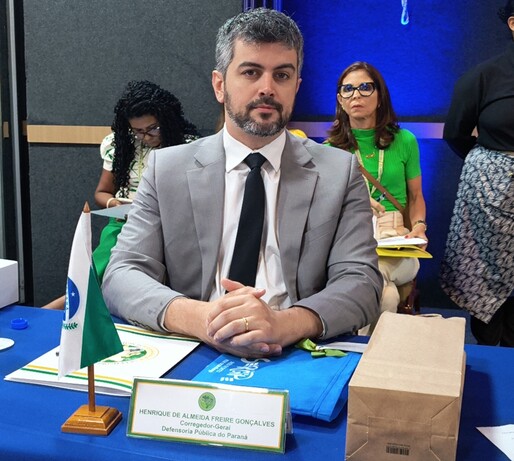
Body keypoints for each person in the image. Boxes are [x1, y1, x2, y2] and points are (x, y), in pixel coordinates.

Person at [102, 8, 382, 358]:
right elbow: (121, 274)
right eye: (251, 72)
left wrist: (284, 323)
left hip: (296, 350)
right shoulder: (166, 169)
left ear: (296, 87)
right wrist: (204, 318)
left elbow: (362, 283)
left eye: (282, 75)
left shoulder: (339, 172)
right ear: (220, 85)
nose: (267, 88)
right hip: (194, 347)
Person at [43, 80, 198, 310]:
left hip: (170, 225)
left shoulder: (188, 147)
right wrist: (114, 203)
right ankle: (67, 304)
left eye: (153, 128)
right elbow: (101, 192)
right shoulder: (121, 145)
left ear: (167, 120)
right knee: (105, 261)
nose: (146, 137)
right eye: (138, 131)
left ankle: (66, 305)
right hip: (124, 220)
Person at [325, 61, 428, 332]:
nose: (356, 95)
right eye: (347, 89)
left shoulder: (405, 140)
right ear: (340, 100)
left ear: (380, 96)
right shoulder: (329, 149)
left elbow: (416, 197)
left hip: (397, 243)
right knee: (388, 296)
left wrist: (419, 226)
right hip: (352, 242)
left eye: (365, 87)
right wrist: (354, 203)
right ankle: (377, 351)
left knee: (373, 273)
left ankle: (355, 348)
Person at [440, 1, 514, 347]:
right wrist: (492, 171)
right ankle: (492, 358)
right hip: (490, 197)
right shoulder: (483, 77)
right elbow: (455, 133)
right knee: (490, 292)